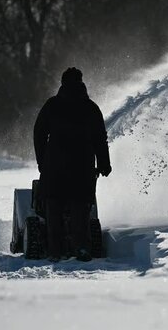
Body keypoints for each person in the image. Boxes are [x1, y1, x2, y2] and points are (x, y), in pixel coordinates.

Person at [33, 67, 111, 262]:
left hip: (55, 167)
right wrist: (104, 163)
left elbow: (39, 134)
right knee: (80, 209)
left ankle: (54, 250)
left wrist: (42, 161)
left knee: (54, 208)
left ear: (62, 83)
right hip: (82, 167)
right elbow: (100, 138)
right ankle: (82, 248)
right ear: (81, 82)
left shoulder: (52, 105)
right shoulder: (90, 107)